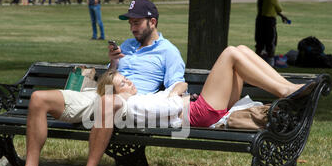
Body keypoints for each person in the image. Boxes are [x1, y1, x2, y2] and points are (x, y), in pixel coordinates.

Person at [0, 0, 186, 166]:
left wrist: (172, 96)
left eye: (136, 23)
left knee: (107, 101)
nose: (132, 28)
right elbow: (107, 79)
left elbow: (178, 83)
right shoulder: (127, 46)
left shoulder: (168, 51)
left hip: (130, 102)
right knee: (38, 98)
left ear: (152, 22)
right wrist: (113, 63)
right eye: (130, 23)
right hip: (100, 94)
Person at [97, 45, 318, 131]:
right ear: (116, 93)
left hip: (200, 109)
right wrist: (175, 96)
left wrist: (174, 90)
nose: (130, 82)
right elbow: (167, 111)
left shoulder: (138, 98)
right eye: (123, 84)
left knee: (240, 49)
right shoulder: (133, 104)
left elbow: (168, 98)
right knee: (230, 53)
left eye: (126, 78)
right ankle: (284, 92)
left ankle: (288, 88)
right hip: (199, 113)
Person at [254, 0, 289, 67]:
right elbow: (279, 9)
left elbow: (269, 10)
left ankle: (255, 64)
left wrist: (282, 16)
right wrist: (282, 15)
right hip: (269, 23)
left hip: (260, 22)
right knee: (271, 44)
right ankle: (271, 65)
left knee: (260, 44)